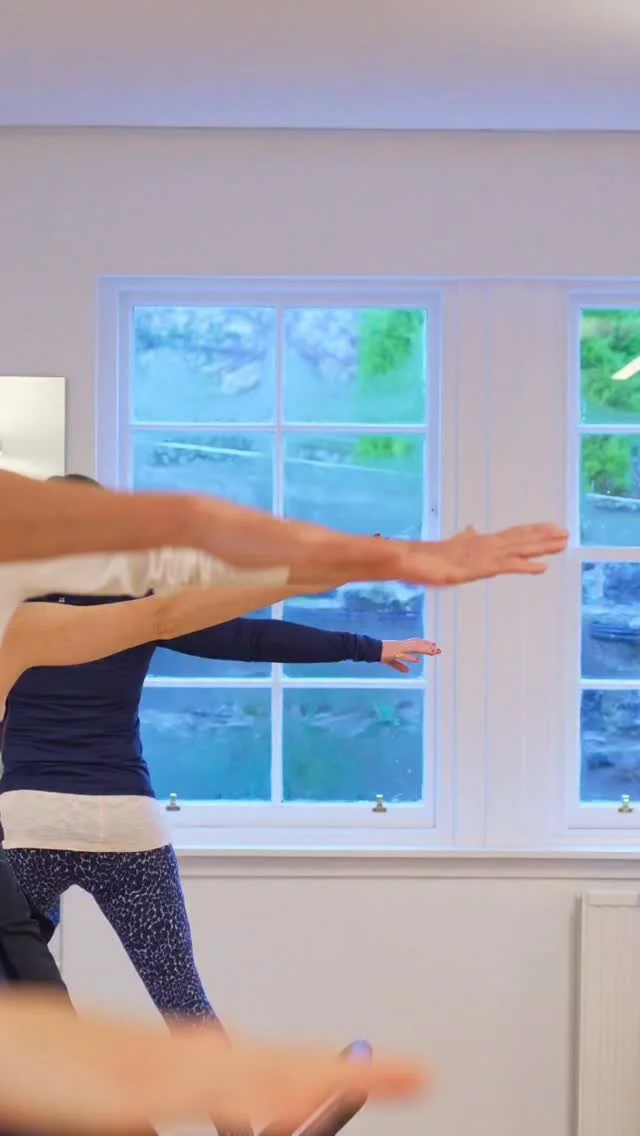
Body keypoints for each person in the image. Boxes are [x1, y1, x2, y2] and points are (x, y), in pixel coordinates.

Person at [1, 559, 440, 1018]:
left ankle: (54, 1060)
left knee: (21, 987)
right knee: (184, 1003)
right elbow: (251, 638)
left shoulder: (17, 617)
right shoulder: (136, 611)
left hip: (29, 821)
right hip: (126, 824)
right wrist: (370, 647)